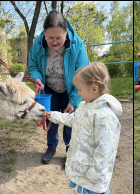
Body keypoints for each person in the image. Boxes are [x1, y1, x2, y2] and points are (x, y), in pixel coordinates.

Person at [46, 62, 122, 194]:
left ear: (94, 88)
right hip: (87, 164)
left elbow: (105, 150)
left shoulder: (104, 116)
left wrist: (96, 173)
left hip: (95, 169)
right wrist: (53, 116)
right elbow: (74, 119)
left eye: (80, 89)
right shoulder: (86, 106)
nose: (78, 93)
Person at [28, 9, 89, 164]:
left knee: (70, 121)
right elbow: (33, 65)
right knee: (51, 118)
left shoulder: (77, 44)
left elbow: (83, 74)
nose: (54, 42)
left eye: (58, 38)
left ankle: (70, 151)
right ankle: (51, 147)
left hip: (72, 90)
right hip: (50, 89)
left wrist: (74, 100)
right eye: (50, 38)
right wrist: (37, 78)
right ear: (44, 34)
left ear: (66, 32)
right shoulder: (38, 43)